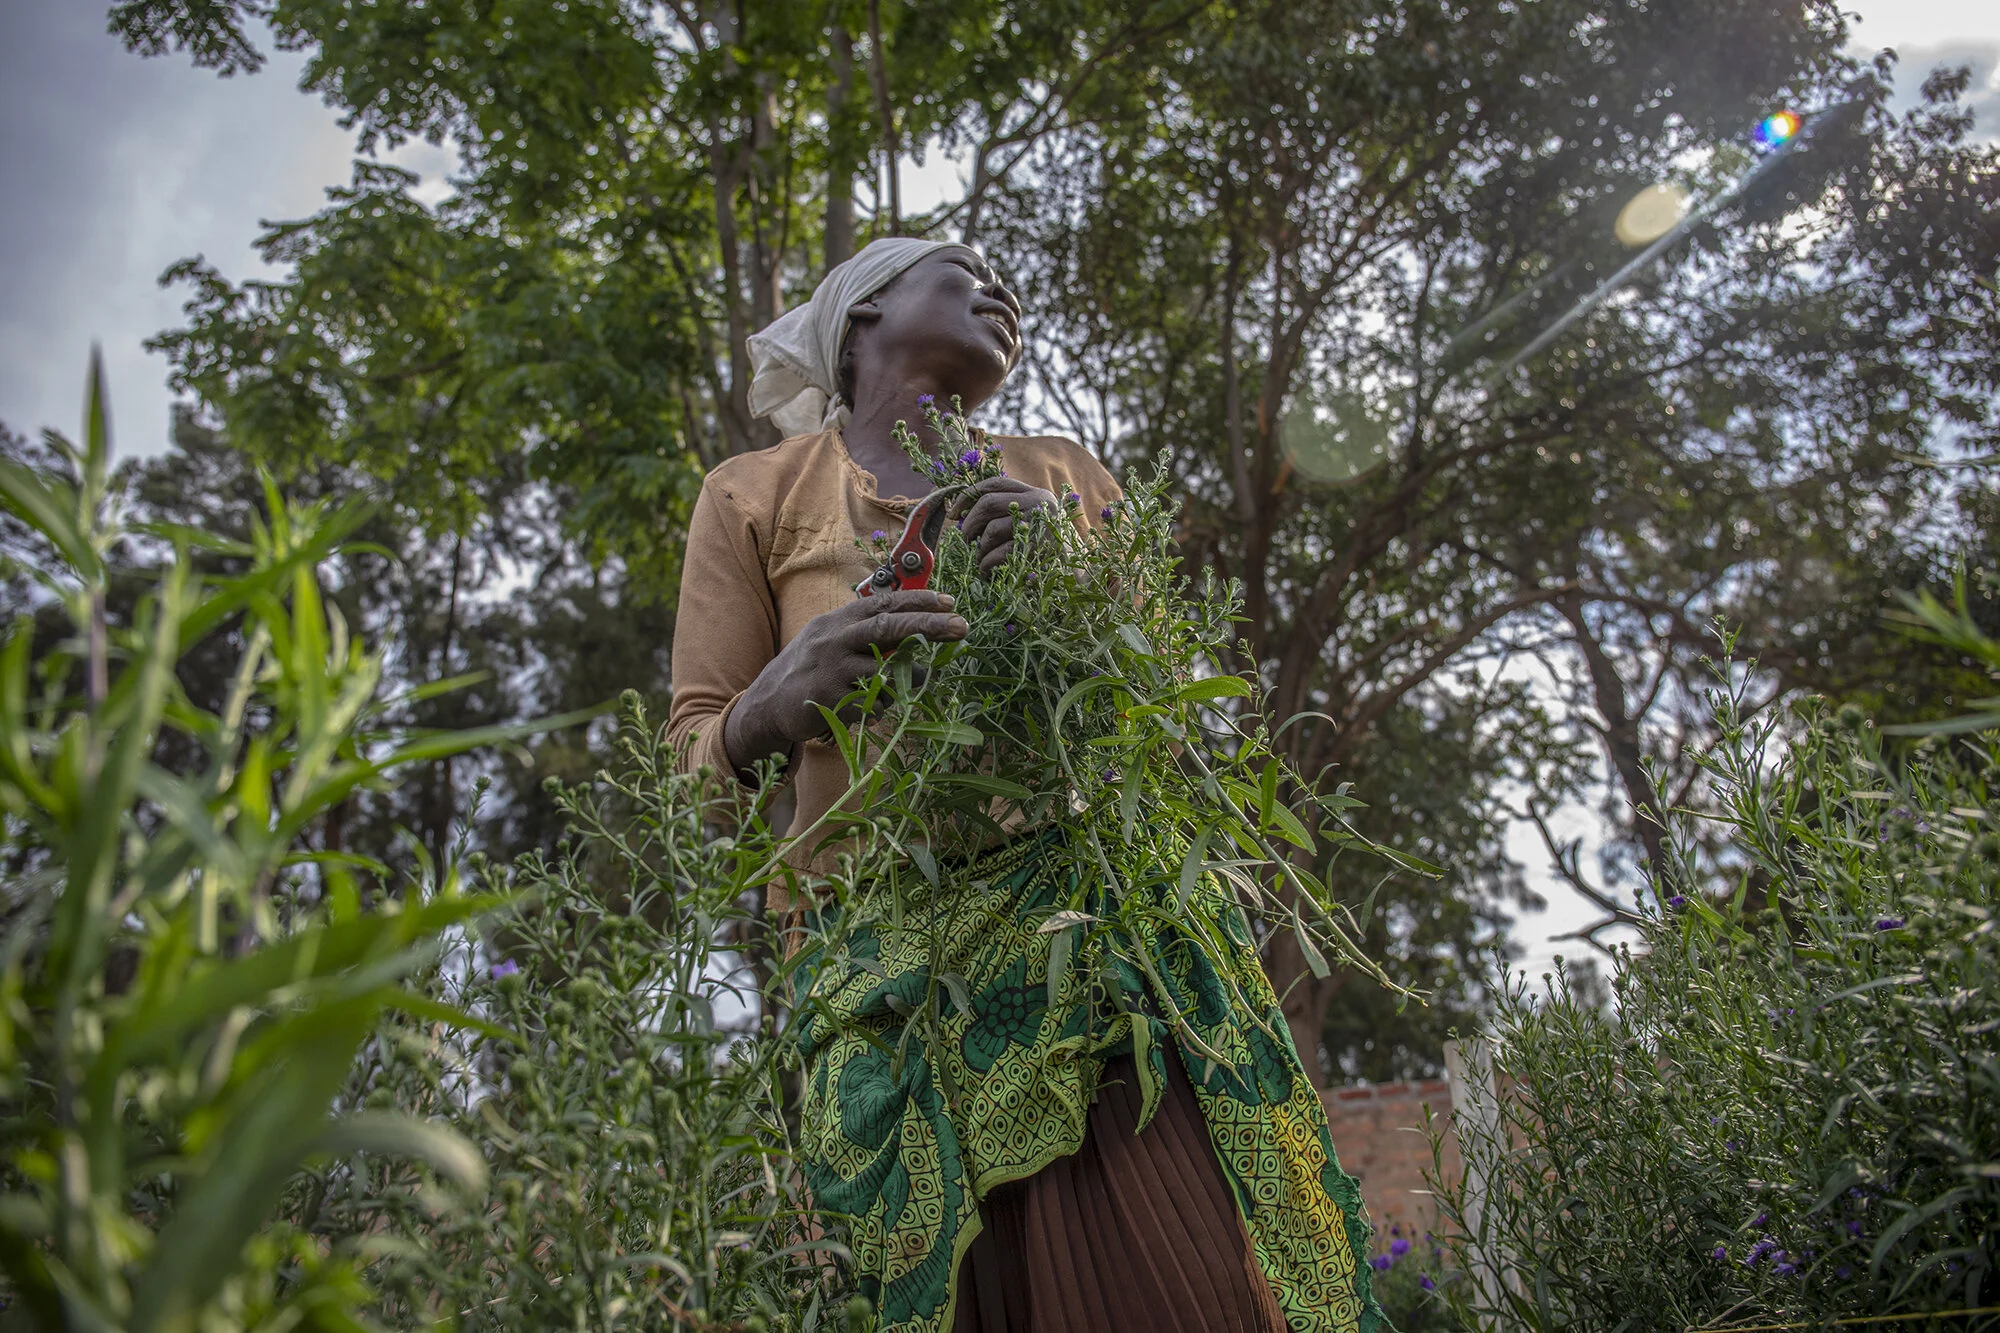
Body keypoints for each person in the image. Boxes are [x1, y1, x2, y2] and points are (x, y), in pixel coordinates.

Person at [667, 239, 1382, 1333]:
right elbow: (691, 770)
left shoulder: (1063, 474)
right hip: (885, 983)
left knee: (1176, 1280)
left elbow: (1175, 722)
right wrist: (776, 697)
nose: (999, 289)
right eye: (957, 268)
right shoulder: (754, 493)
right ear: (861, 316)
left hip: (1094, 953)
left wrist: (1076, 585)